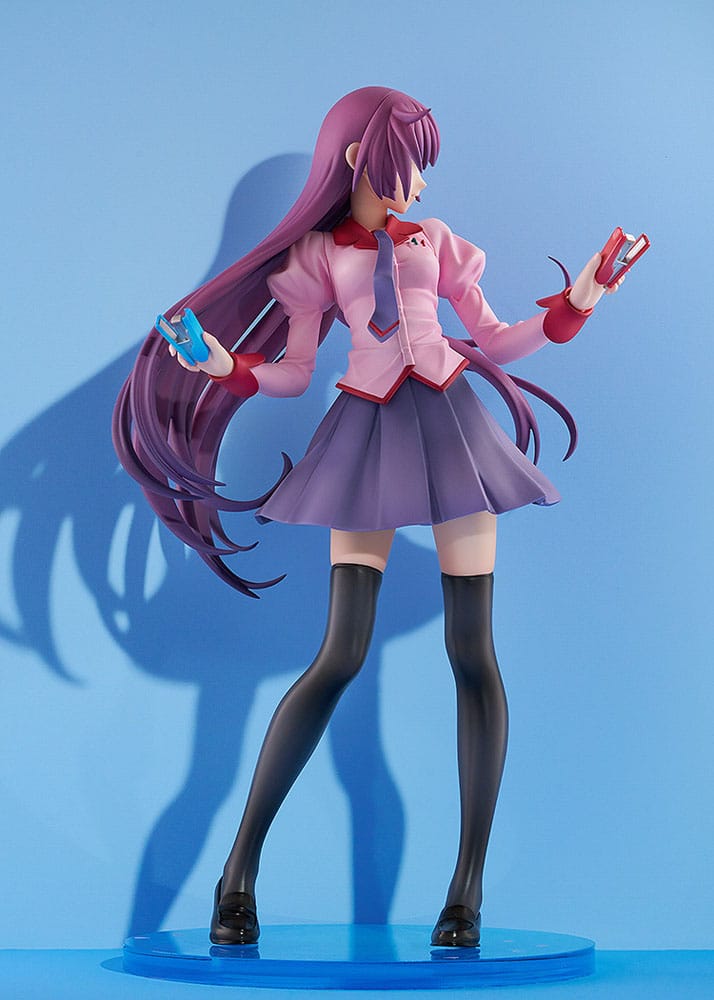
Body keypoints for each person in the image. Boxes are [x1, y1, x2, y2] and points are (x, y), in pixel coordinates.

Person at [113, 86, 622, 948]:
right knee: (340, 653)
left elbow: (495, 337)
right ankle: (238, 874)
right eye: (405, 163)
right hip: (367, 428)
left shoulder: (437, 242)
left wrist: (578, 300)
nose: (418, 183)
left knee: (473, 650)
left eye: (423, 166)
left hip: (453, 429)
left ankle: (465, 891)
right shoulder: (317, 258)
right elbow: (293, 373)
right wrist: (225, 366)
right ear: (358, 159)